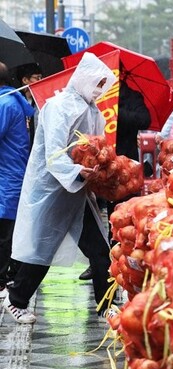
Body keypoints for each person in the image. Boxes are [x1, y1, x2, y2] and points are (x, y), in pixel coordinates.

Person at [3, 52, 117, 324]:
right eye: (98, 83)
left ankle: (106, 305)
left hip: (77, 194)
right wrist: (77, 171)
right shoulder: (58, 107)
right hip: (52, 192)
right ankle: (16, 299)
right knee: (41, 251)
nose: (100, 90)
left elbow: (93, 145)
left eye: (104, 84)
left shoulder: (92, 110)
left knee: (101, 250)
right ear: (85, 79)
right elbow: (54, 153)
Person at [79, 79, 152, 282]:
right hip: (96, 165)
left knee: (120, 216)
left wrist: (117, 111)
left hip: (124, 169)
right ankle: (98, 263)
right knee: (94, 214)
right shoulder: (92, 97)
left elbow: (144, 119)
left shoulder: (131, 97)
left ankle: (119, 262)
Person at [0, 61, 36, 300]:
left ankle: (2, 280)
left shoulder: (4, 104)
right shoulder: (12, 101)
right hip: (12, 176)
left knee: (4, 234)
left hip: (7, 179)